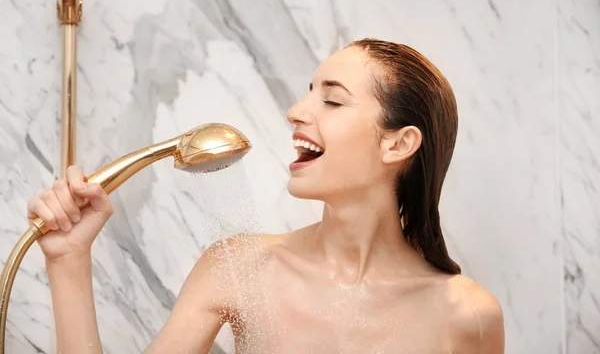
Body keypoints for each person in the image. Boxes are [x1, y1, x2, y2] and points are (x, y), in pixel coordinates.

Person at [27, 38, 504, 353]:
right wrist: (69, 262)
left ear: (397, 144)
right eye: (308, 92)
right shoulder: (238, 268)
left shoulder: (467, 317)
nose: (296, 111)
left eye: (332, 100)